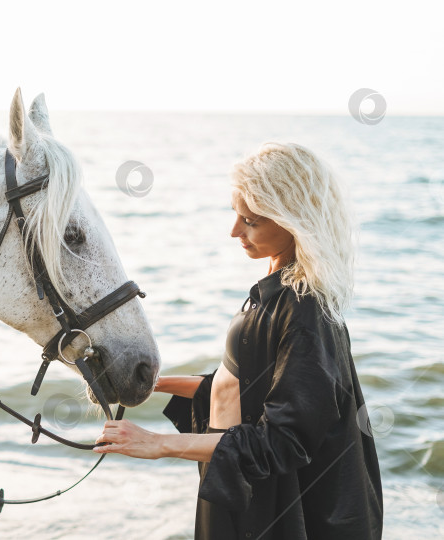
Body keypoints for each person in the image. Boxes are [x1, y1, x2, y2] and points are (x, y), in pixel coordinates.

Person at [94, 142, 383, 539]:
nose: (234, 231)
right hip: (237, 490)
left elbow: (283, 439)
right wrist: (144, 384)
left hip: (273, 513)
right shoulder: (274, 291)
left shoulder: (304, 309)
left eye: (250, 221)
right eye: (236, 214)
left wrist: (158, 443)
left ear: (294, 220)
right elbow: (241, 390)